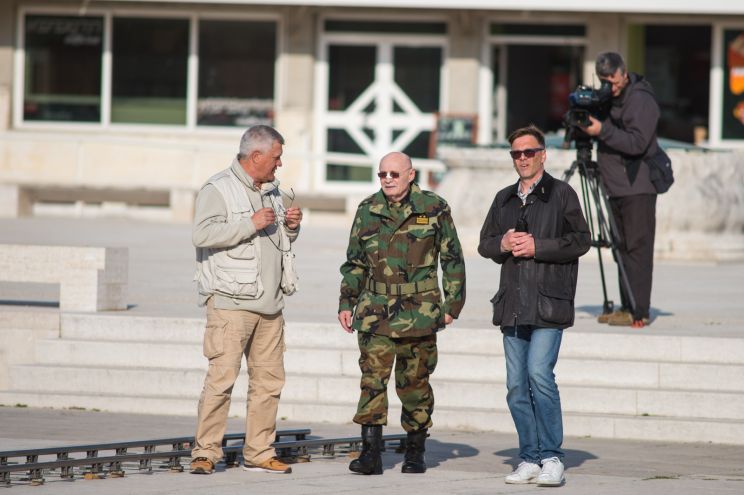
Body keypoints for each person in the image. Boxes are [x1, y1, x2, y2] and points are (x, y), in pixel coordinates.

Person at [338, 151, 466, 475]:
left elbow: (452, 258)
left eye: (394, 174)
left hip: (419, 312)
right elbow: (355, 262)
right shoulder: (368, 209)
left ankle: (415, 453)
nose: (388, 179)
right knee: (372, 382)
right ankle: (370, 455)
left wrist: (452, 305)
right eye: (382, 174)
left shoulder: (433, 208)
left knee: (415, 384)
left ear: (411, 174)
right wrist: (346, 302)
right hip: (375, 313)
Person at [478, 125, 590, 487]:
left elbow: (581, 240)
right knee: (515, 385)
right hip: (512, 304)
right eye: (516, 153)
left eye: (529, 152)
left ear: (543, 154)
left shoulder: (562, 193)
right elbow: (484, 243)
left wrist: (538, 246)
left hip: (548, 304)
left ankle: (552, 457)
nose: (522, 158)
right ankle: (529, 457)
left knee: (539, 375)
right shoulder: (504, 198)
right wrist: (503, 243)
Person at [189, 125, 302, 475]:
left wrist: (292, 226)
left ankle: (260, 452)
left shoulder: (274, 191)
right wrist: (249, 223)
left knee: (268, 384)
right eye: (276, 157)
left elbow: (279, 241)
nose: (280, 164)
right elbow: (202, 234)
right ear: (256, 156)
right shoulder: (218, 188)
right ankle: (205, 453)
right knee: (221, 381)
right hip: (230, 304)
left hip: (271, 307)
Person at [582, 51, 660, 328]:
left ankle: (639, 311)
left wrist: (601, 130)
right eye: (604, 81)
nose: (609, 86)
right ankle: (627, 306)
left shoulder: (640, 99)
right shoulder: (610, 98)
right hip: (615, 187)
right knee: (621, 249)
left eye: (612, 80)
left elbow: (637, 143)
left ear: (623, 72)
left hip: (636, 187)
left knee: (637, 249)